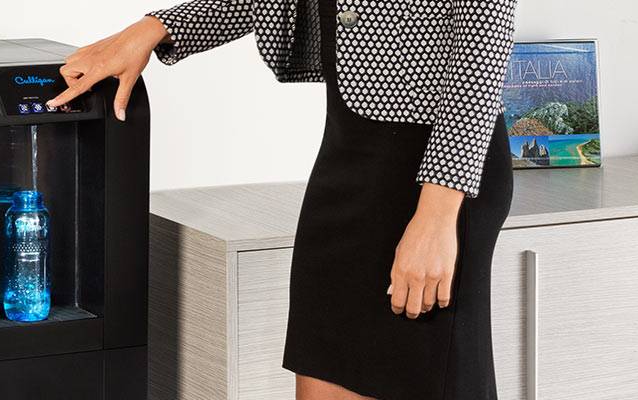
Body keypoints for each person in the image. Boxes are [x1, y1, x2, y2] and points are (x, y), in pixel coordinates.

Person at [48, 1, 519, 398]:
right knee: (324, 374)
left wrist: (436, 216)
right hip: (350, 150)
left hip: (440, 171)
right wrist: (152, 29)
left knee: (427, 379)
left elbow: (483, 45)